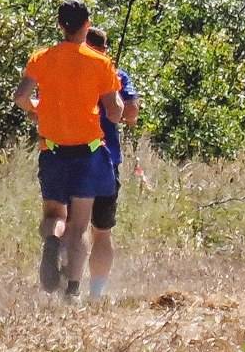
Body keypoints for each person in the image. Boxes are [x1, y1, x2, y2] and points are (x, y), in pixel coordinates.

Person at [15, 1, 125, 300]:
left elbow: (21, 96)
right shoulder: (99, 62)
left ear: (60, 25)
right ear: (87, 24)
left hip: (52, 148)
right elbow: (115, 111)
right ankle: (72, 291)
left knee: (54, 214)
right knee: (78, 226)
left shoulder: (41, 57)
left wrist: (36, 109)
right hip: (88, 152)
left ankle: (52, 240)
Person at [82, 27, 140, 301]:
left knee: (74, 227)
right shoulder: (116, 75)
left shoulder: (67, 72)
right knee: (101, 232)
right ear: (105, 49)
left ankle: (70, 288)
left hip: (70, 156)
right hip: (105, 161)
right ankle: (95, 293)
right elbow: (130, 114)